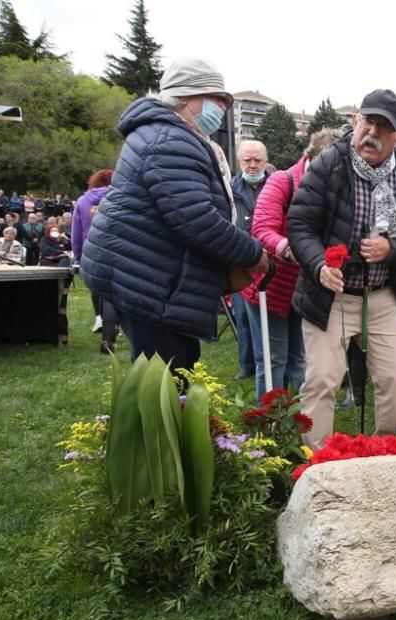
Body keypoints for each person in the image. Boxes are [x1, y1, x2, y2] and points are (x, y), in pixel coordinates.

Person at [82, 57, 269, 373]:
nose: (221, 106)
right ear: (184, 98)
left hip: (148, 273)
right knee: (165, 382)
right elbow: (196, 219)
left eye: (224, 100)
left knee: (176, 368)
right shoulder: (169, 140)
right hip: (145, 277)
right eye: (215, 98)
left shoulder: (170, 135)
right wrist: (253, 254)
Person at [286, 89, 396, 448]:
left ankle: (385, 451)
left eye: (385, 127)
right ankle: (315, 466)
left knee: (395, 375)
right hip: (328, 295)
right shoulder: (328, 164)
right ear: (355, 122)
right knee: (321, 380)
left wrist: (392, 249)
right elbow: (299, 224)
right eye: (368, 121)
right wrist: (319, 265)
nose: (373, 133)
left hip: (381, 295)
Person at [242, 128, 341, 402]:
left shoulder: (330, 188)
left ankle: (298, 421)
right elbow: (262, 228)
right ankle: (269, 424)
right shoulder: (281, 182)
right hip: (271, 286)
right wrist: (289, 248)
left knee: (299, 358)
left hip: (304, 287)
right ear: (312, 157)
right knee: (273, 360)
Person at [231, 140, 273, 380]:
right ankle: (246, 363)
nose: (253, 165)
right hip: (239, 260)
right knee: (242, 315)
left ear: (265, 161)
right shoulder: (229, 188)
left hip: (269, 260)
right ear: (239, 162)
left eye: (257, 160)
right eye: (247, 160)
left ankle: (265, 362)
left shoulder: (276, 185)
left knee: (266, 317)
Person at [72, 169, 114, 338]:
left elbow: (76, 232)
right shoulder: (118, 198)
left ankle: (99, 318)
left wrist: (78, 255)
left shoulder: (82, 201)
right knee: (113, 289)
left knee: (96, 287)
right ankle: (113, 323)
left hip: (90, 250)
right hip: (113, 249)